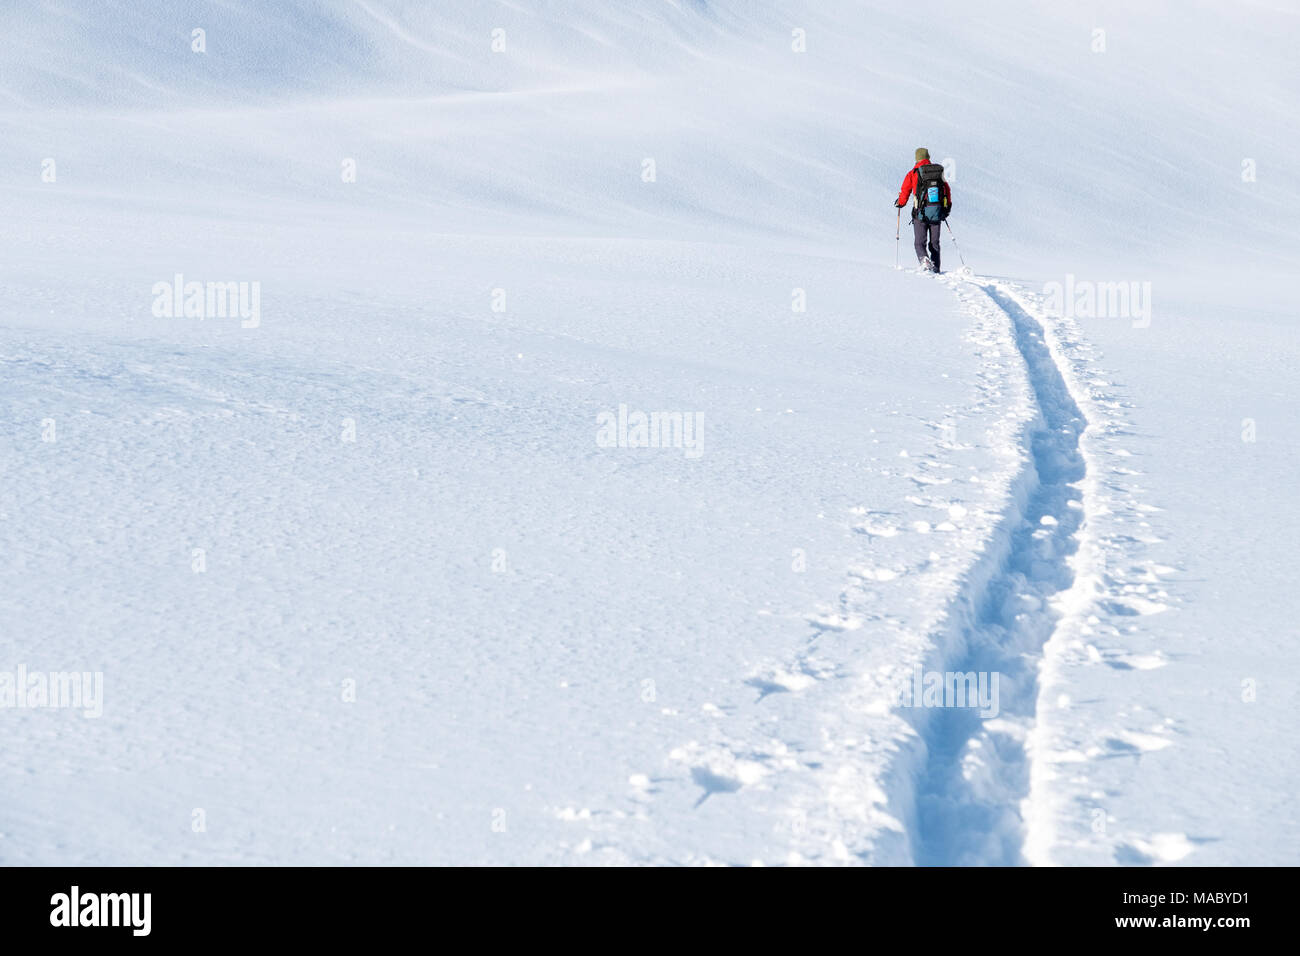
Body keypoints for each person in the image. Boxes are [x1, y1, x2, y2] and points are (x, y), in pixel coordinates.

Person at [894, 148, 952, 273]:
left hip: (919, 213)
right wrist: (946, 209)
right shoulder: (938, 172)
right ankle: (936, 269)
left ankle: (924, 261)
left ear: (917, 158)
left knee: (919, 243)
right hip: (936, 212)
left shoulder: (913, 173)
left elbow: (905, 192)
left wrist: (900, 203)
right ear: (928, 157)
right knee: (935, 244)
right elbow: (947, 190)